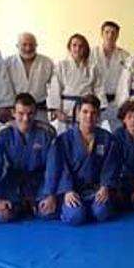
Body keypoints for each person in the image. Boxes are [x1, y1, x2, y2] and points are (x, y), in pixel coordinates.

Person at [46, 95, 122, 225]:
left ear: (98, 115)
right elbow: (60, 167)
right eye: (85, 112)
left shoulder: (107, 138)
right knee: (75, 217)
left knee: (101, 213)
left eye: (93, 113)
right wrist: (67, 190)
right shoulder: (63, 140)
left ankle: (90, 209)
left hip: (96, 190)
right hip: (73, 190)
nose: (89, 116)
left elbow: (111, 166)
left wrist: (105, 187)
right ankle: (75, 210)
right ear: (78, 113)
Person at [0, 93, 58, 222]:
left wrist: (50, 195)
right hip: (14, 179)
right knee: (2, 216)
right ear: (13, 113)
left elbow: (53, 167)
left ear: (35, 113)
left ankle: (31, 204)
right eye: (21, 113)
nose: (25, 118)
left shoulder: (46, 133)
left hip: (39, 180)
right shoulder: (2, 134)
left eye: (30, 114)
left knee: (47, 213)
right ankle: (22, 205)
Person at [47, 33, 106, 132]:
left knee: (86, 136)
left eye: (80, 46)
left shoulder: (92, 67)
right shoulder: (61, 65)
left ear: (85, 48)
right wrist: (57, 111)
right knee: (65, 138)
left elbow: (98, 89)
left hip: (86, 108)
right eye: (74, 45)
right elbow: (54, 89)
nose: (77, 49)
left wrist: (99, 110)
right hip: (66, 109)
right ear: (69, 47)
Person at [0, 32, 56, 122]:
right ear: (17, 46)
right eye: (24, 45)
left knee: (41, 134)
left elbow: (54, 87)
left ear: (36, 46)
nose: (28, 48)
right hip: (17, 111)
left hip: (39, 110)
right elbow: (1, 87)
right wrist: (2, 106)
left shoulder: (46, 63)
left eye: (31, 45)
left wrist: (54, 107)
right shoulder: (7, 63)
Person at [90, 21, 130, 130]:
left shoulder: (125, 56)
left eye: (113, 32)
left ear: (117, 35)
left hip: (116, 101)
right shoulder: (91, 54)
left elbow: (127, 81)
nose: (110, 35)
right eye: (107, 32)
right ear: (101, 34)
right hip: (96, 101)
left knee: (118, 133)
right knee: (93, 132)